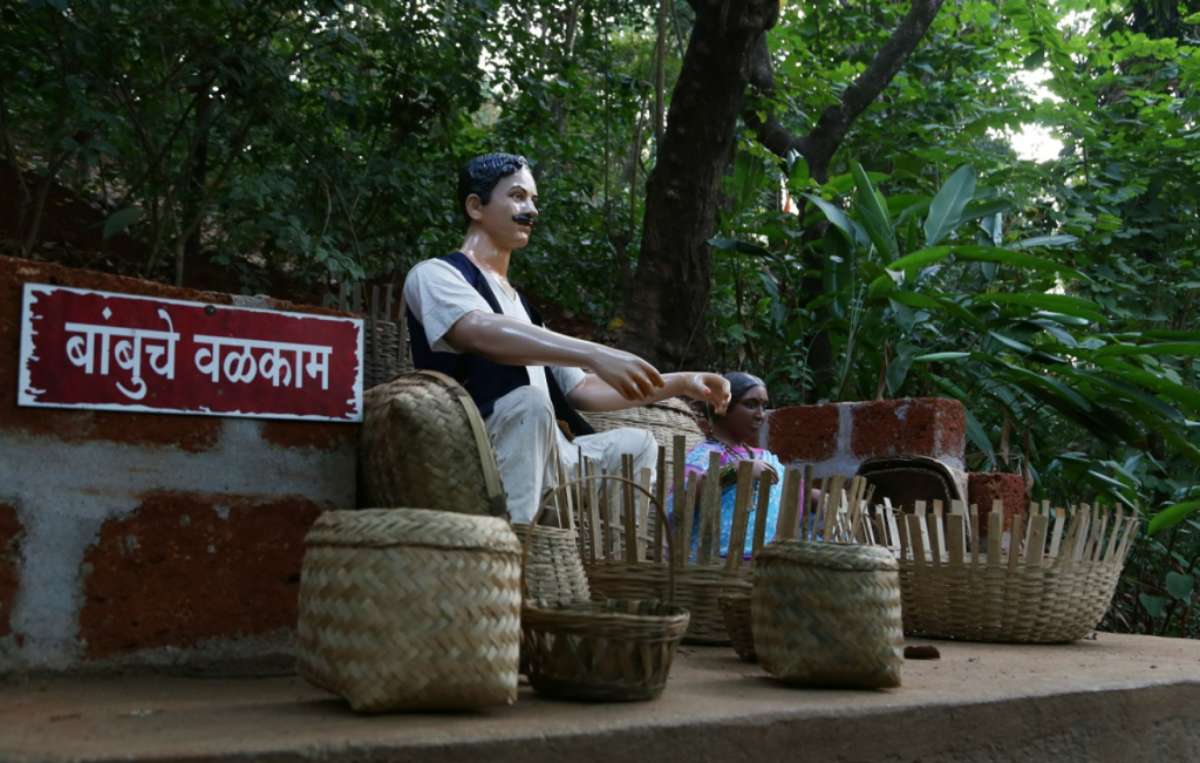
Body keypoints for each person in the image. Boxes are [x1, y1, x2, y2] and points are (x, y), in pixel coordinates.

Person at [403, 152, 731, 523]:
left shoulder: (523, 310)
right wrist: (593, 352)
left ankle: (610, 569)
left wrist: (683, 383)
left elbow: (584, 391)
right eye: (517, 196)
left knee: (636, 446)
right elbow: (476, 329)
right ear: (476, 206)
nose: (532, 210)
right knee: (529, 404)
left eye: (534, 200)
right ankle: (514, 546)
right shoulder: (436, 275)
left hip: (550, 449)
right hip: (479, 445)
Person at [680, 372, 796, 558]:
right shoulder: (705, 455)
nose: (760, 415)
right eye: (751, 404)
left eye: (764, 406)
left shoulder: (765, 456)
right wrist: (735, 471)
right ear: (721, 406)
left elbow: (794, 493)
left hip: (765, 563)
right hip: (716, 566)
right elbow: (682, 498)